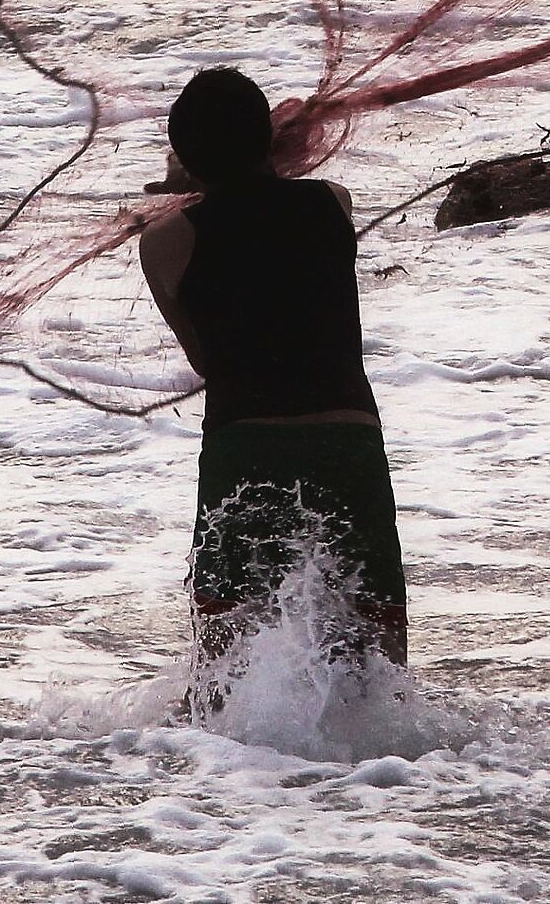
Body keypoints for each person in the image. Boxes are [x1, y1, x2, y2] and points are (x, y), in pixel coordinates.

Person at [136, 66, 409, 679]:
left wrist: (192, 183)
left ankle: (221, 764)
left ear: (184, 154)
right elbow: (274, 207)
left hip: (247, 445)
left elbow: (206, 360)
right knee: (376, 648)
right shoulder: (331, 204)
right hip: (348, 443)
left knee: (226, 655)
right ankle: (392, 765)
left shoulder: (166, 240)